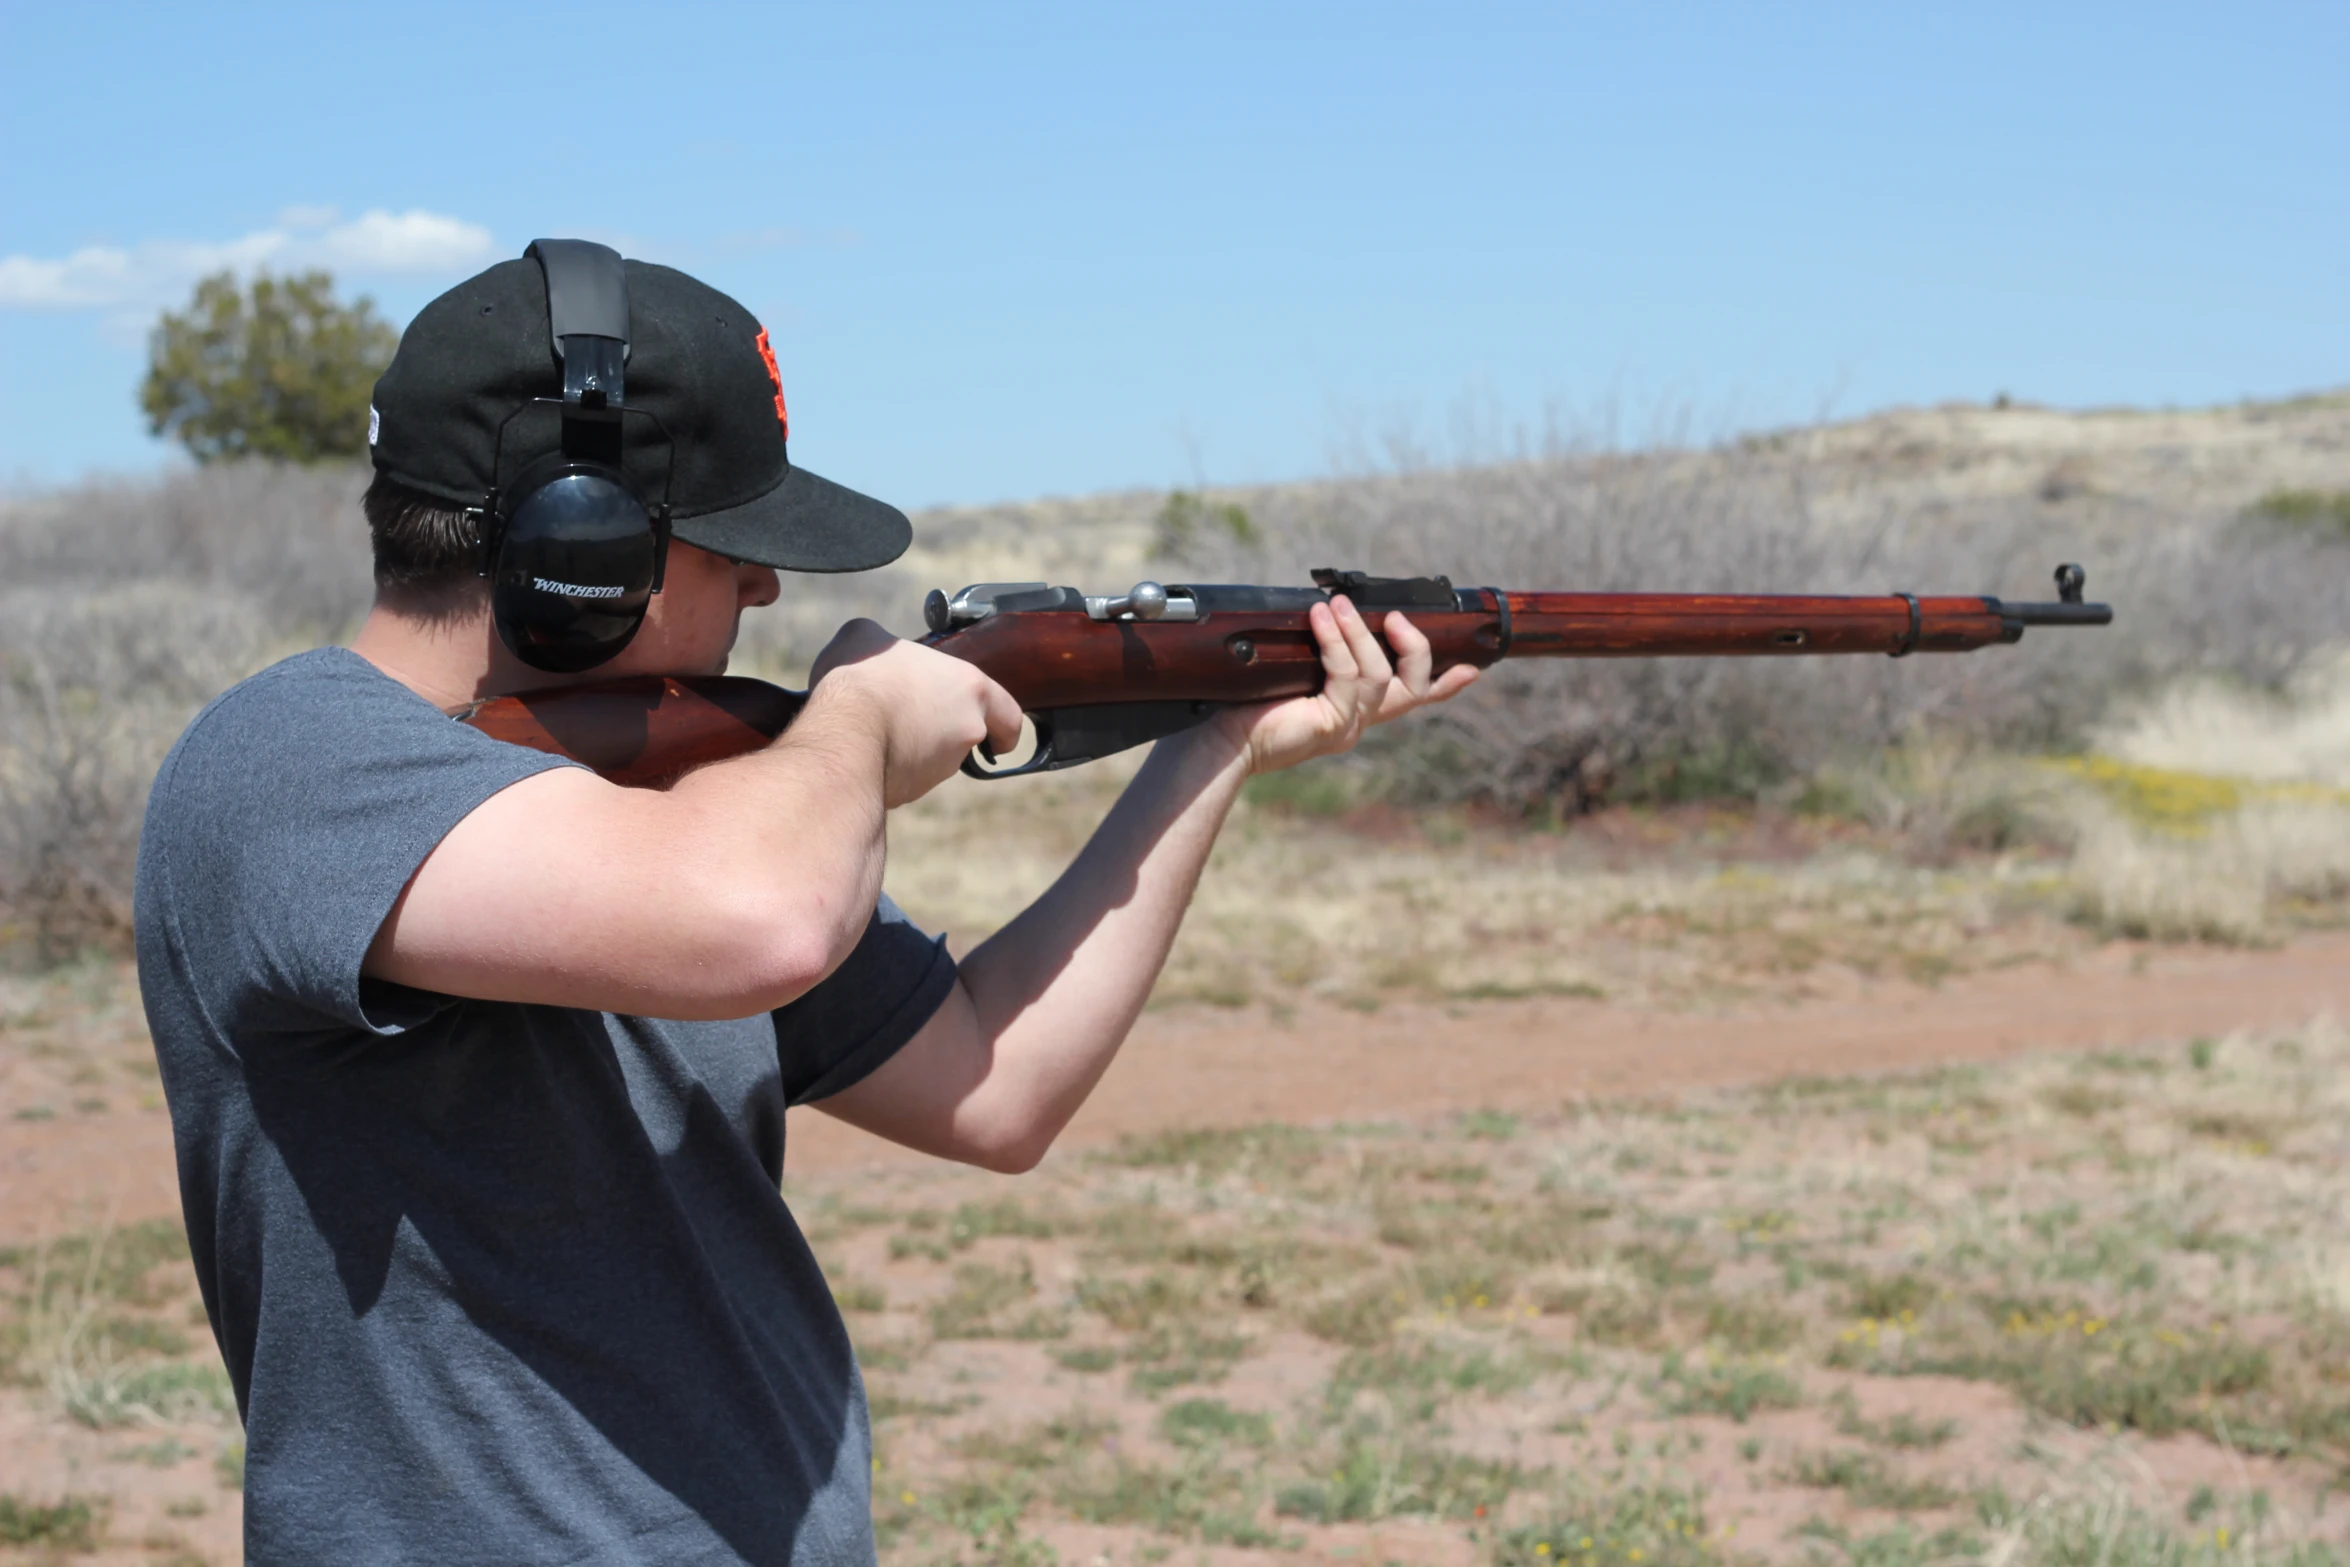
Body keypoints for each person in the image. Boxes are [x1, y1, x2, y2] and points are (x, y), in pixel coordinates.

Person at [132, 245, 1475, 1566]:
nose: (766, 588)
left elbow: (993, 1090)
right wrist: (862, 719)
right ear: (579, 548)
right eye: (730, 548)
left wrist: (1212, 750)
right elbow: (760, 921)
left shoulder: (712, 794)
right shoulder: (286, 765)